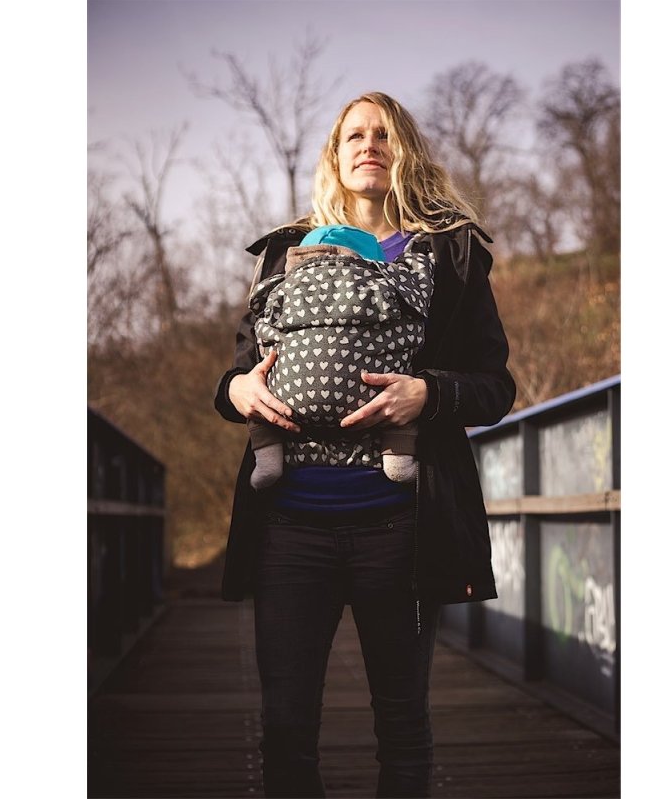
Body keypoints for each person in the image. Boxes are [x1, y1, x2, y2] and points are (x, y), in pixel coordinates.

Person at [213, 92, 516, 798]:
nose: (368, 145)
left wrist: (428, 393)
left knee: (403, 724)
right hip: (289, 529)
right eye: (354, 135)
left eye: (383, 134)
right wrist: (238, 393)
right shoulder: (286, 253)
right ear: (336, 154)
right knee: (285, 729)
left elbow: (494, 388)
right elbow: (234, 375)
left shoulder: (450, 254)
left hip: (402, 529)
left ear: (404, 148)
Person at [246, 222, 435, 490]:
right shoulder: (384, 284)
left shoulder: (282, 288)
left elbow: (261, 330)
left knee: (262, 394)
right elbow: (413, 325)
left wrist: (271, 356)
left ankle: (268, 458)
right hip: (370, 396)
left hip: (290, 399)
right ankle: (397, 461)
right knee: (400, 375)